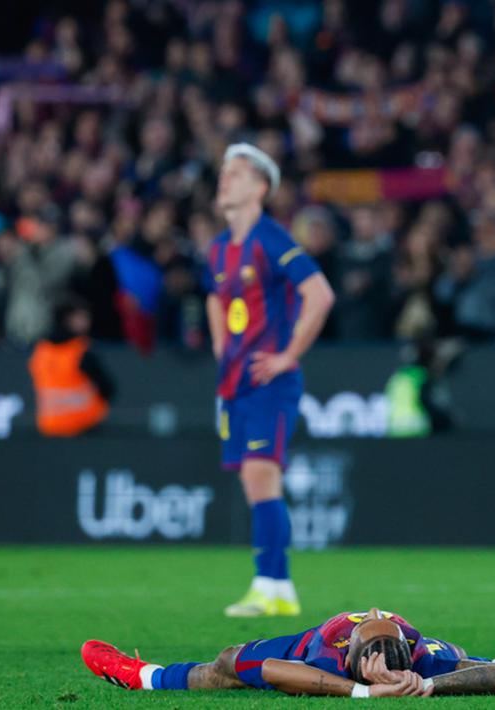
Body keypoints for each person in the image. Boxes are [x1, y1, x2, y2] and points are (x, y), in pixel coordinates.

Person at [204, 143, 335, 617]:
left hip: (268, 380)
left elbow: (319, 294)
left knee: (262, 478)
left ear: (260, 186)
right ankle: (277, 587)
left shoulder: (270, 237)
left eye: (236, 173)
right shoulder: (219, 248)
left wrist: (287, 356)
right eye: (223, 171)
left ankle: (271, 583)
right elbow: (214, 298)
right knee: (252, 480)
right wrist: (223, 348)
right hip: (235, 382)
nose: (225, 179)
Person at [80, 607, 495, 697]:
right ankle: (143, 675)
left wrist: (429, 684)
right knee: (227, 664)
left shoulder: (421, 657)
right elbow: (263, 667)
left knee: (479, 663)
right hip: (310, 636)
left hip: (415, 655)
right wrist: (361, 693)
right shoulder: (324, 657)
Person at [28, 300, 114, 437]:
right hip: (84, 426)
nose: (87, 321)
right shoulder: (82, 351)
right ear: (69, 319)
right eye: (82, 317)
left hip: (49, 425)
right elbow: (108, 388)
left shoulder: (41, 350)